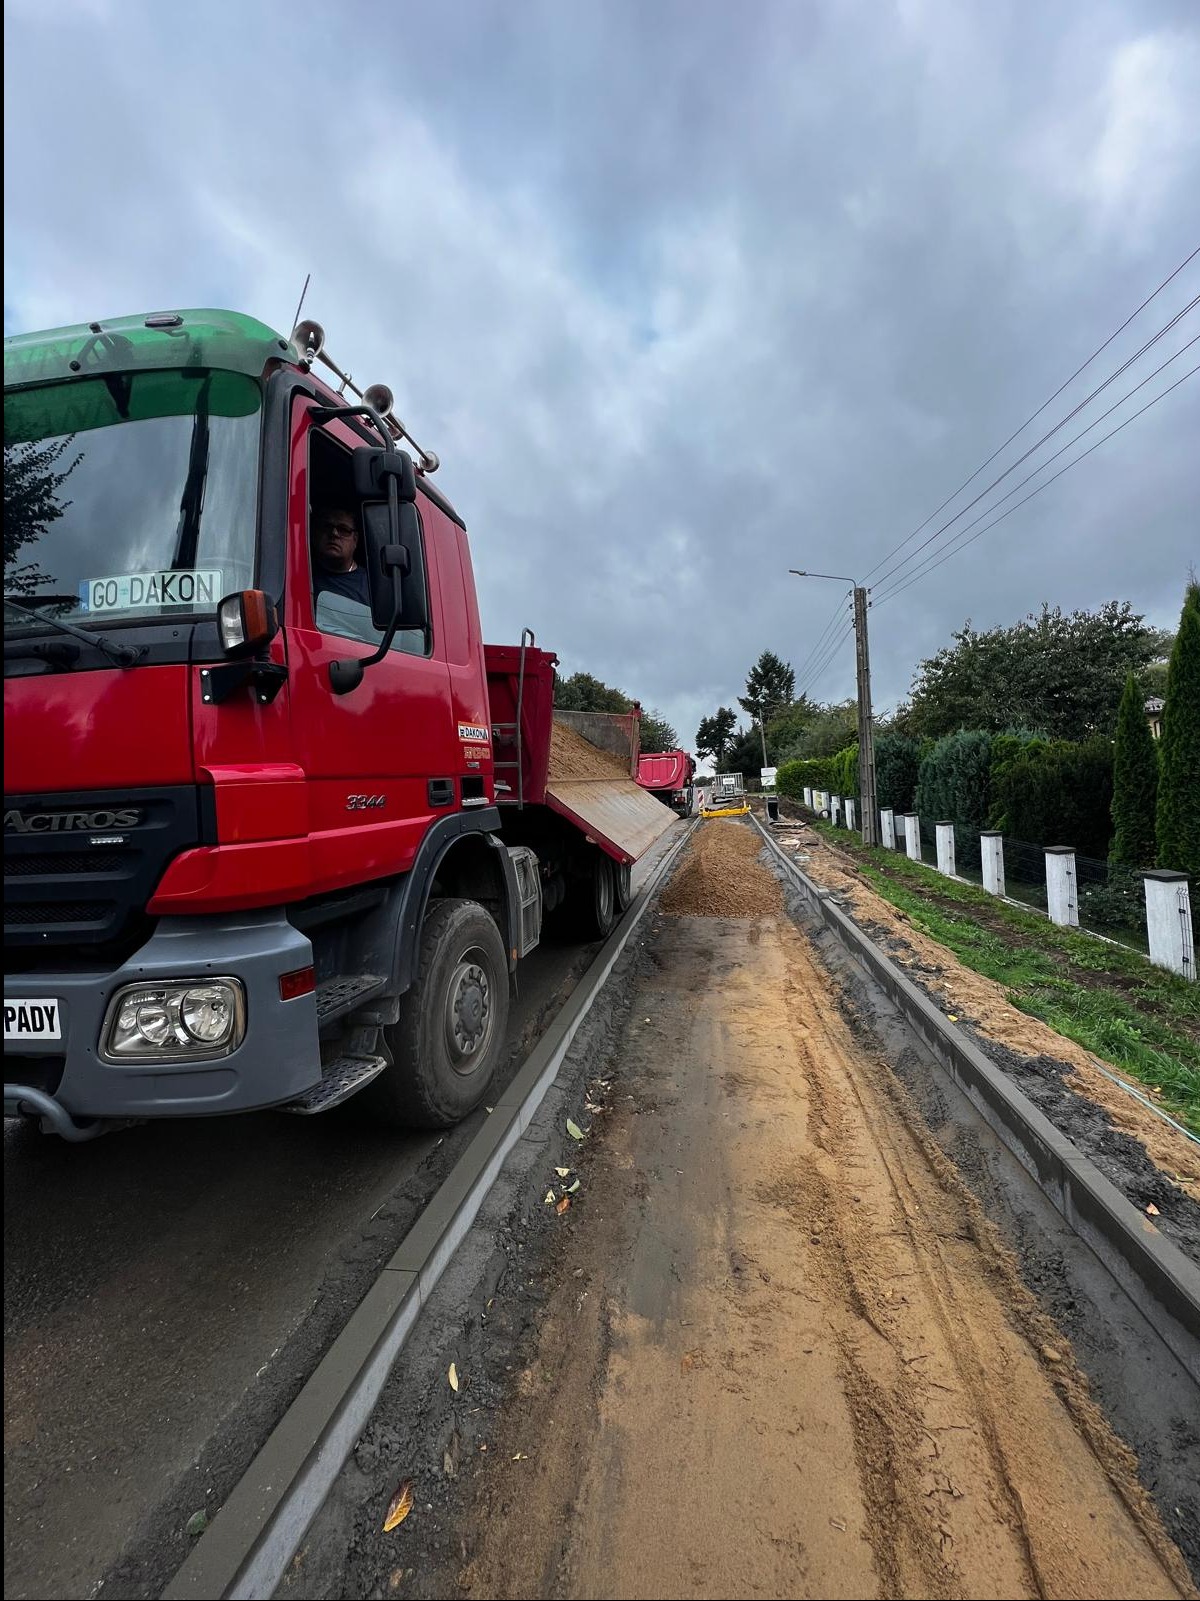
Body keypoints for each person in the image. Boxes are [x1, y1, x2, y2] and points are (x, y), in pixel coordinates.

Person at [311, 505, 371, 606]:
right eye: (327, 527)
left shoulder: (370, 586)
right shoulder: (303, 575)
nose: (334, 533)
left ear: (355, 540)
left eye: (343, 530)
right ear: (315, 534)